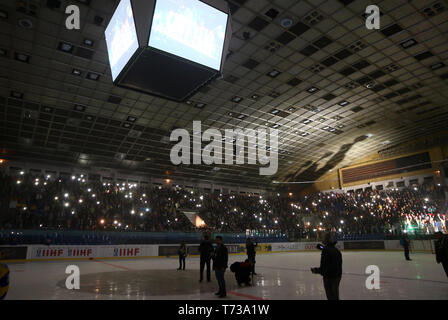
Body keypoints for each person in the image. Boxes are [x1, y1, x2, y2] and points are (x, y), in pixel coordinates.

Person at [311, 233, 342, 300]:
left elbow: (324, 268)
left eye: (323, 237)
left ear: (325, 239)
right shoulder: (336, 250)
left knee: (331, 297)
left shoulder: (325, 250)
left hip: (329, 278)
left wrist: (316, 270)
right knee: (335, 296)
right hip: (337, 276)